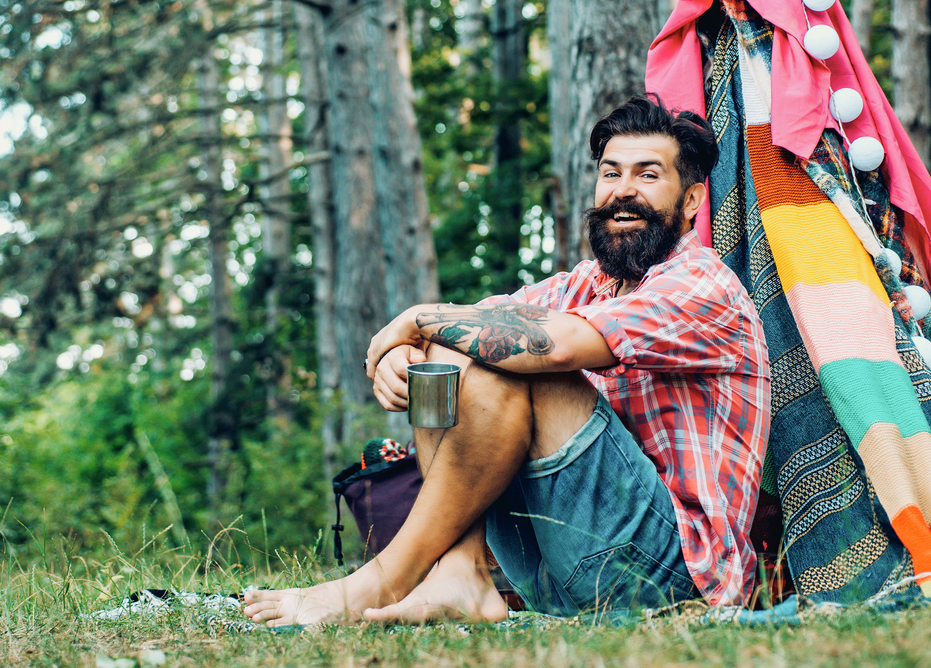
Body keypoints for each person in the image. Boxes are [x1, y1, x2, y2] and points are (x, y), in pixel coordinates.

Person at [243, 95, 771, 626]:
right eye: (610, 173)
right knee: (461, 343)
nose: (623, 191)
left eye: (648, 175)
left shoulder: (703, 285)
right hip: (558, 572)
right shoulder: (585, 285)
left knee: (510, 346)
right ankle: (460, 574)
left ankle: (381, 581)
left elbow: (554, 346)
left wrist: (418, 319)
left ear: (691, 201)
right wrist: (405, 349)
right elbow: (463, 330)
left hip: (672, 575)